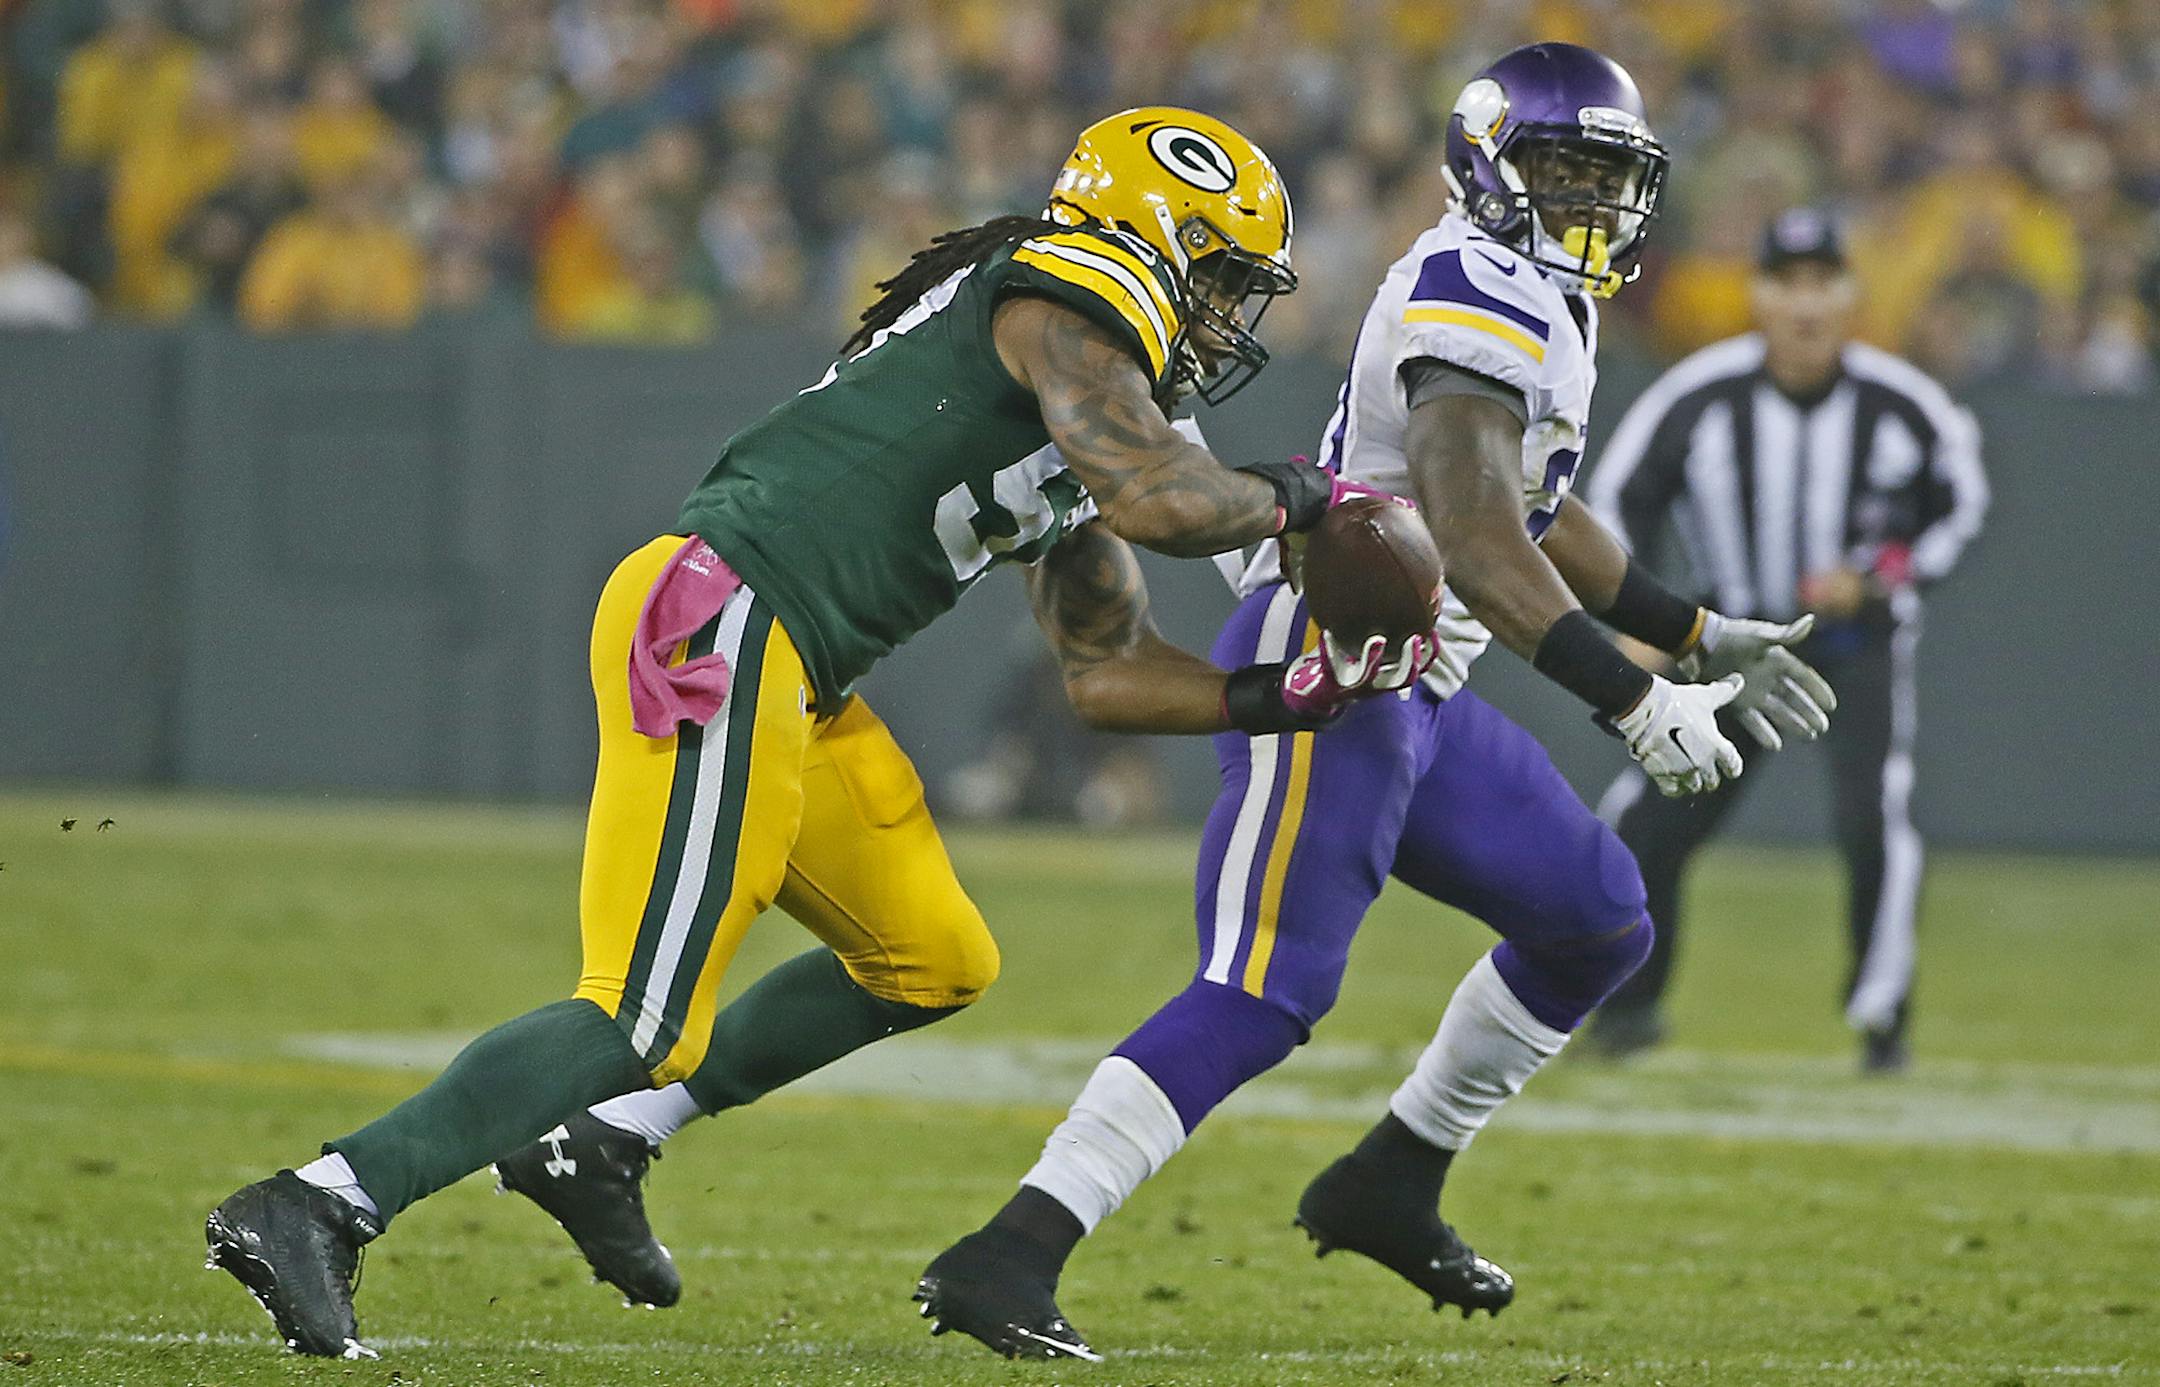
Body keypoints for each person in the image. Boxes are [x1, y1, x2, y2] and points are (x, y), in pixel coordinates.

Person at [522, 45, 1837, 1361]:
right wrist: (1630, 695)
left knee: (1596, 918)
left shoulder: (1540, 295)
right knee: (1265, 984)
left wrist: (1693, 627)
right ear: (1490, 173)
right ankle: (1008, 1250)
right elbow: (1482, 533)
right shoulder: (1476, 287)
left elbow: (1538, 499)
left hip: (1422, 689)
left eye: (1609, 177)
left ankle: (1393, 1176)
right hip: (1344, 663)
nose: (1592, 202)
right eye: (1563, 171)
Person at [202, 106, 1423, 1359]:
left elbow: (1106, 672)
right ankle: (318, 1201)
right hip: (728, 620)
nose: (1227, 318)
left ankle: (605, 1140)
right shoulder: (1067, 288)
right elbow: (1164, 499)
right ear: (1150, 238)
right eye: (1220, 277)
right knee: (638, 1014)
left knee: (932, 956)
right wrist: (1311, 494)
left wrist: (1284, 696)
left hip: (796, 668)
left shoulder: (1092, 401)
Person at [1583, 208, 1988, 1072]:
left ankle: (1882, 1018)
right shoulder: (1698, 393)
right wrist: (1639, 619)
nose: (1805, 304)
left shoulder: (1903, 405)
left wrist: (1876, 578)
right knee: (1648, 816)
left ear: (1850, 294)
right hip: (1729, 644)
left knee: (1874, 818)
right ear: (1758, 294)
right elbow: (1620, 500)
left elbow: (1958, 509)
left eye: (1822, 283)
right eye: (1787, 283)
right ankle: (1624, 1008)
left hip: (1854, 646)